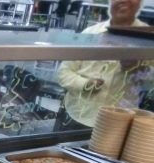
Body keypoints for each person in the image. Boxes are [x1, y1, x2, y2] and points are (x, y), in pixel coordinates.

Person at [55, 0, 149, 130]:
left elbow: (150, 84)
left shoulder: (148, 39)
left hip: (119, 124)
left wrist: (138, 69)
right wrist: (85, 84)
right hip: (76, 116)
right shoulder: (90, 34)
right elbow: (63, 73)